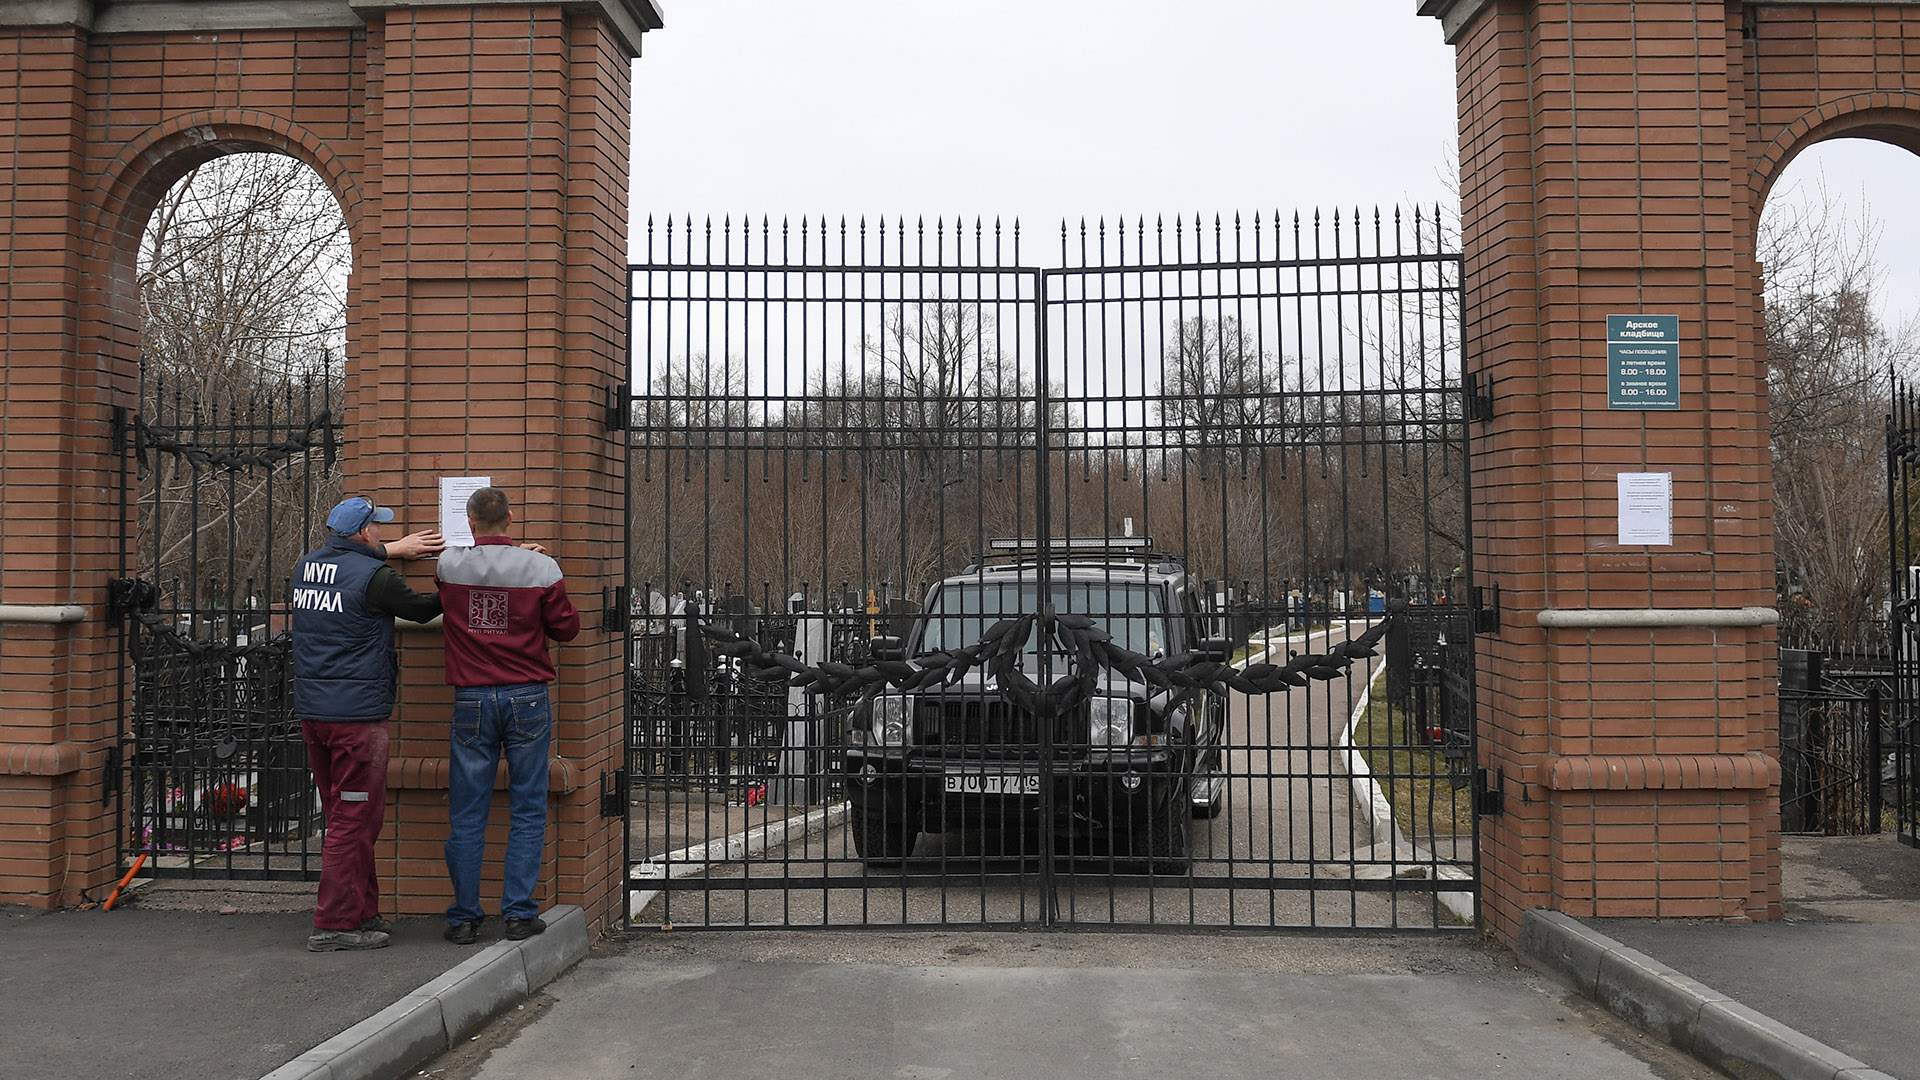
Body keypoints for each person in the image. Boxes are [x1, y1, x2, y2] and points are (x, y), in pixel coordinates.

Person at [291, 496, 445, 952]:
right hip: (357, 719)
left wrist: (395, 550)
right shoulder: (375, 578)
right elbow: (420, 609)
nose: (381, 533)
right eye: (376, 528)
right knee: (353, 821)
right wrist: (465, 581)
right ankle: (335, 924)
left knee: (344, 814)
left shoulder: (306, 567)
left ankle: (360, 912)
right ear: (361, 533)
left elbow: (355, 565)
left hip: (316, 713)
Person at [435, 486, 580, 944]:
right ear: (511, 518)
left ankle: (463, 917)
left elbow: (453, 586)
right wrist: (533, 563)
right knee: (528, 806)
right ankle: (518, 913)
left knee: (468, 810)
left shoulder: (449, 565)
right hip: (527, 697)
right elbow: (567, 628)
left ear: (471, 521)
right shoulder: (541, 568)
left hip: (472, 699)